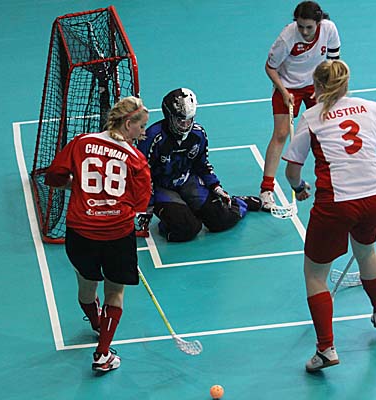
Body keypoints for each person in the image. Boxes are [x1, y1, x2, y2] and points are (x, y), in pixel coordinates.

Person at [282, 60, 376, 372]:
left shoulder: (312, 117)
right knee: (366, 251)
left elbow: (292, 170)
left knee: (315, 275)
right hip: (373, 201)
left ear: (318, 86)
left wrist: (298, 188)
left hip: (335, 206)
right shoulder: (371, 108)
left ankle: (326, 349)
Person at [44, 96, 151, 373]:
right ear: (128, 123)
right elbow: (140, 203)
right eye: (141, 126)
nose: (143, 132)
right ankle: (103, 354)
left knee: (86, 287)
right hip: (117, 235)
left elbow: (53, 176)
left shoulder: (80, 142)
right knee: (114, 293)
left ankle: (96, 323)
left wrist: (76, 186)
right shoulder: (136, 159)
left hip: (80, 233)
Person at [136, 88, 261, 242]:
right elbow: (143, 175)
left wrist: (216, 186)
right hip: (161, 187)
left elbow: (202, 165)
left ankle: (240, 202)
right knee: (187, 229)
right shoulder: (152, 138)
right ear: (169, 117)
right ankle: (170, 221)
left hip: (187, 181)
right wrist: (147, 206)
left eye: (189, 120)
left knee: (220, 221)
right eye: (180, 120)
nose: (185, 125)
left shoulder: (198, 134)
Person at [260, 1, 341, 211]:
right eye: (300, 26)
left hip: (316, 84)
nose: (304, 31)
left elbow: (334, 61)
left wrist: (326, 87)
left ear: (319, 23)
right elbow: (270, 68)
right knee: (281, 134)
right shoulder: (287, 38)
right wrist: (284, 92)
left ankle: (334, 180)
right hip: (287, 86)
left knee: (325, 131)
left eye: (309, 27)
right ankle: (266, 190)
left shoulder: (329, 29)